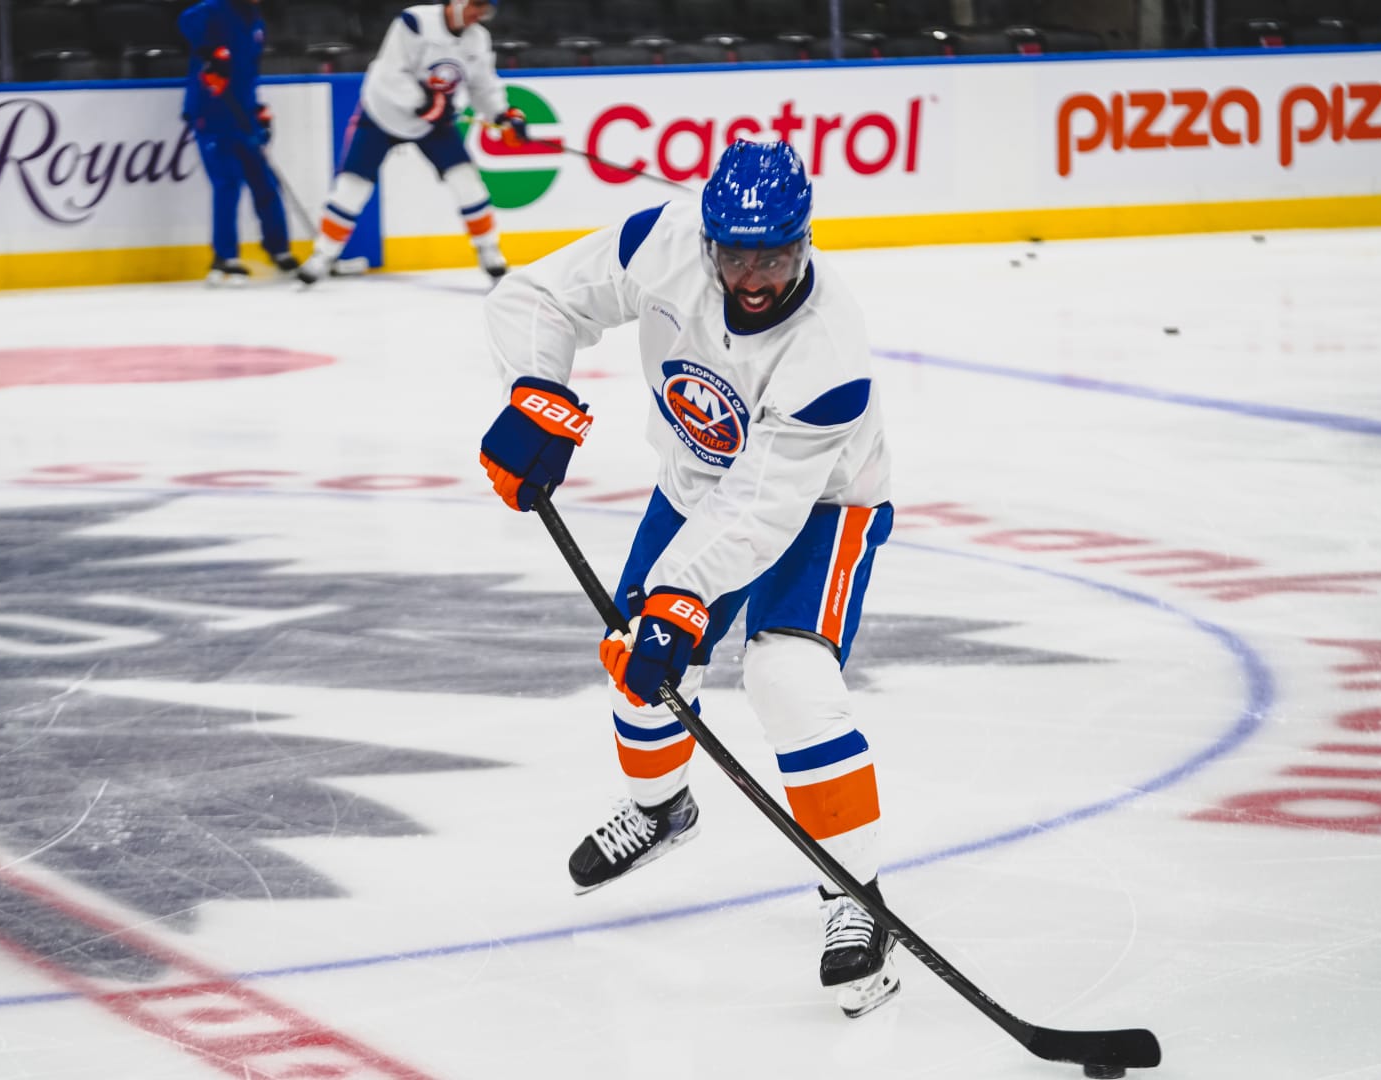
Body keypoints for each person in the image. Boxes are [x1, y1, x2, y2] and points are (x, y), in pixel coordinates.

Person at [476, 140, 900, 1018]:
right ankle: (662, 810)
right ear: (707, 239)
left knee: (788, 677)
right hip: (696, 482)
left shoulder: (829, 354)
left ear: (805, 241)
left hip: (821, 505)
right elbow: (538, 295)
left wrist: (681, 599)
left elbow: (762, 508)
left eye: (775, 257)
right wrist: (532, 392)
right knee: (635, 661)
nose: (754, 279)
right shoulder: (660, 242)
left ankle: (855, 895)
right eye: (736, 256)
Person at [296, 0, 528, 285]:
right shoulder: (414, 22)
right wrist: (422, 102)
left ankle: (489, 251)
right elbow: (391, 72)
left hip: (433, 123)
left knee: (466, 180)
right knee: (353, 185)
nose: (479, 14)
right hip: (383, 113)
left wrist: (503, 114)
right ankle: (322, 255)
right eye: (476, 4)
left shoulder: (478, 38)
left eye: (486, 9)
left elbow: (483, 85)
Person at [178, 0, 298, 286]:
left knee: (266, 184)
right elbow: (187, 20)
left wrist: (257, 110)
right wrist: (210, 49)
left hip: (244, 116)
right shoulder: (214, 9)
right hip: (212, 114)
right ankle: (225, 257)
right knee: (228, 183)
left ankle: (278, 249)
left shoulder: (255, 20)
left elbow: (248, 73)